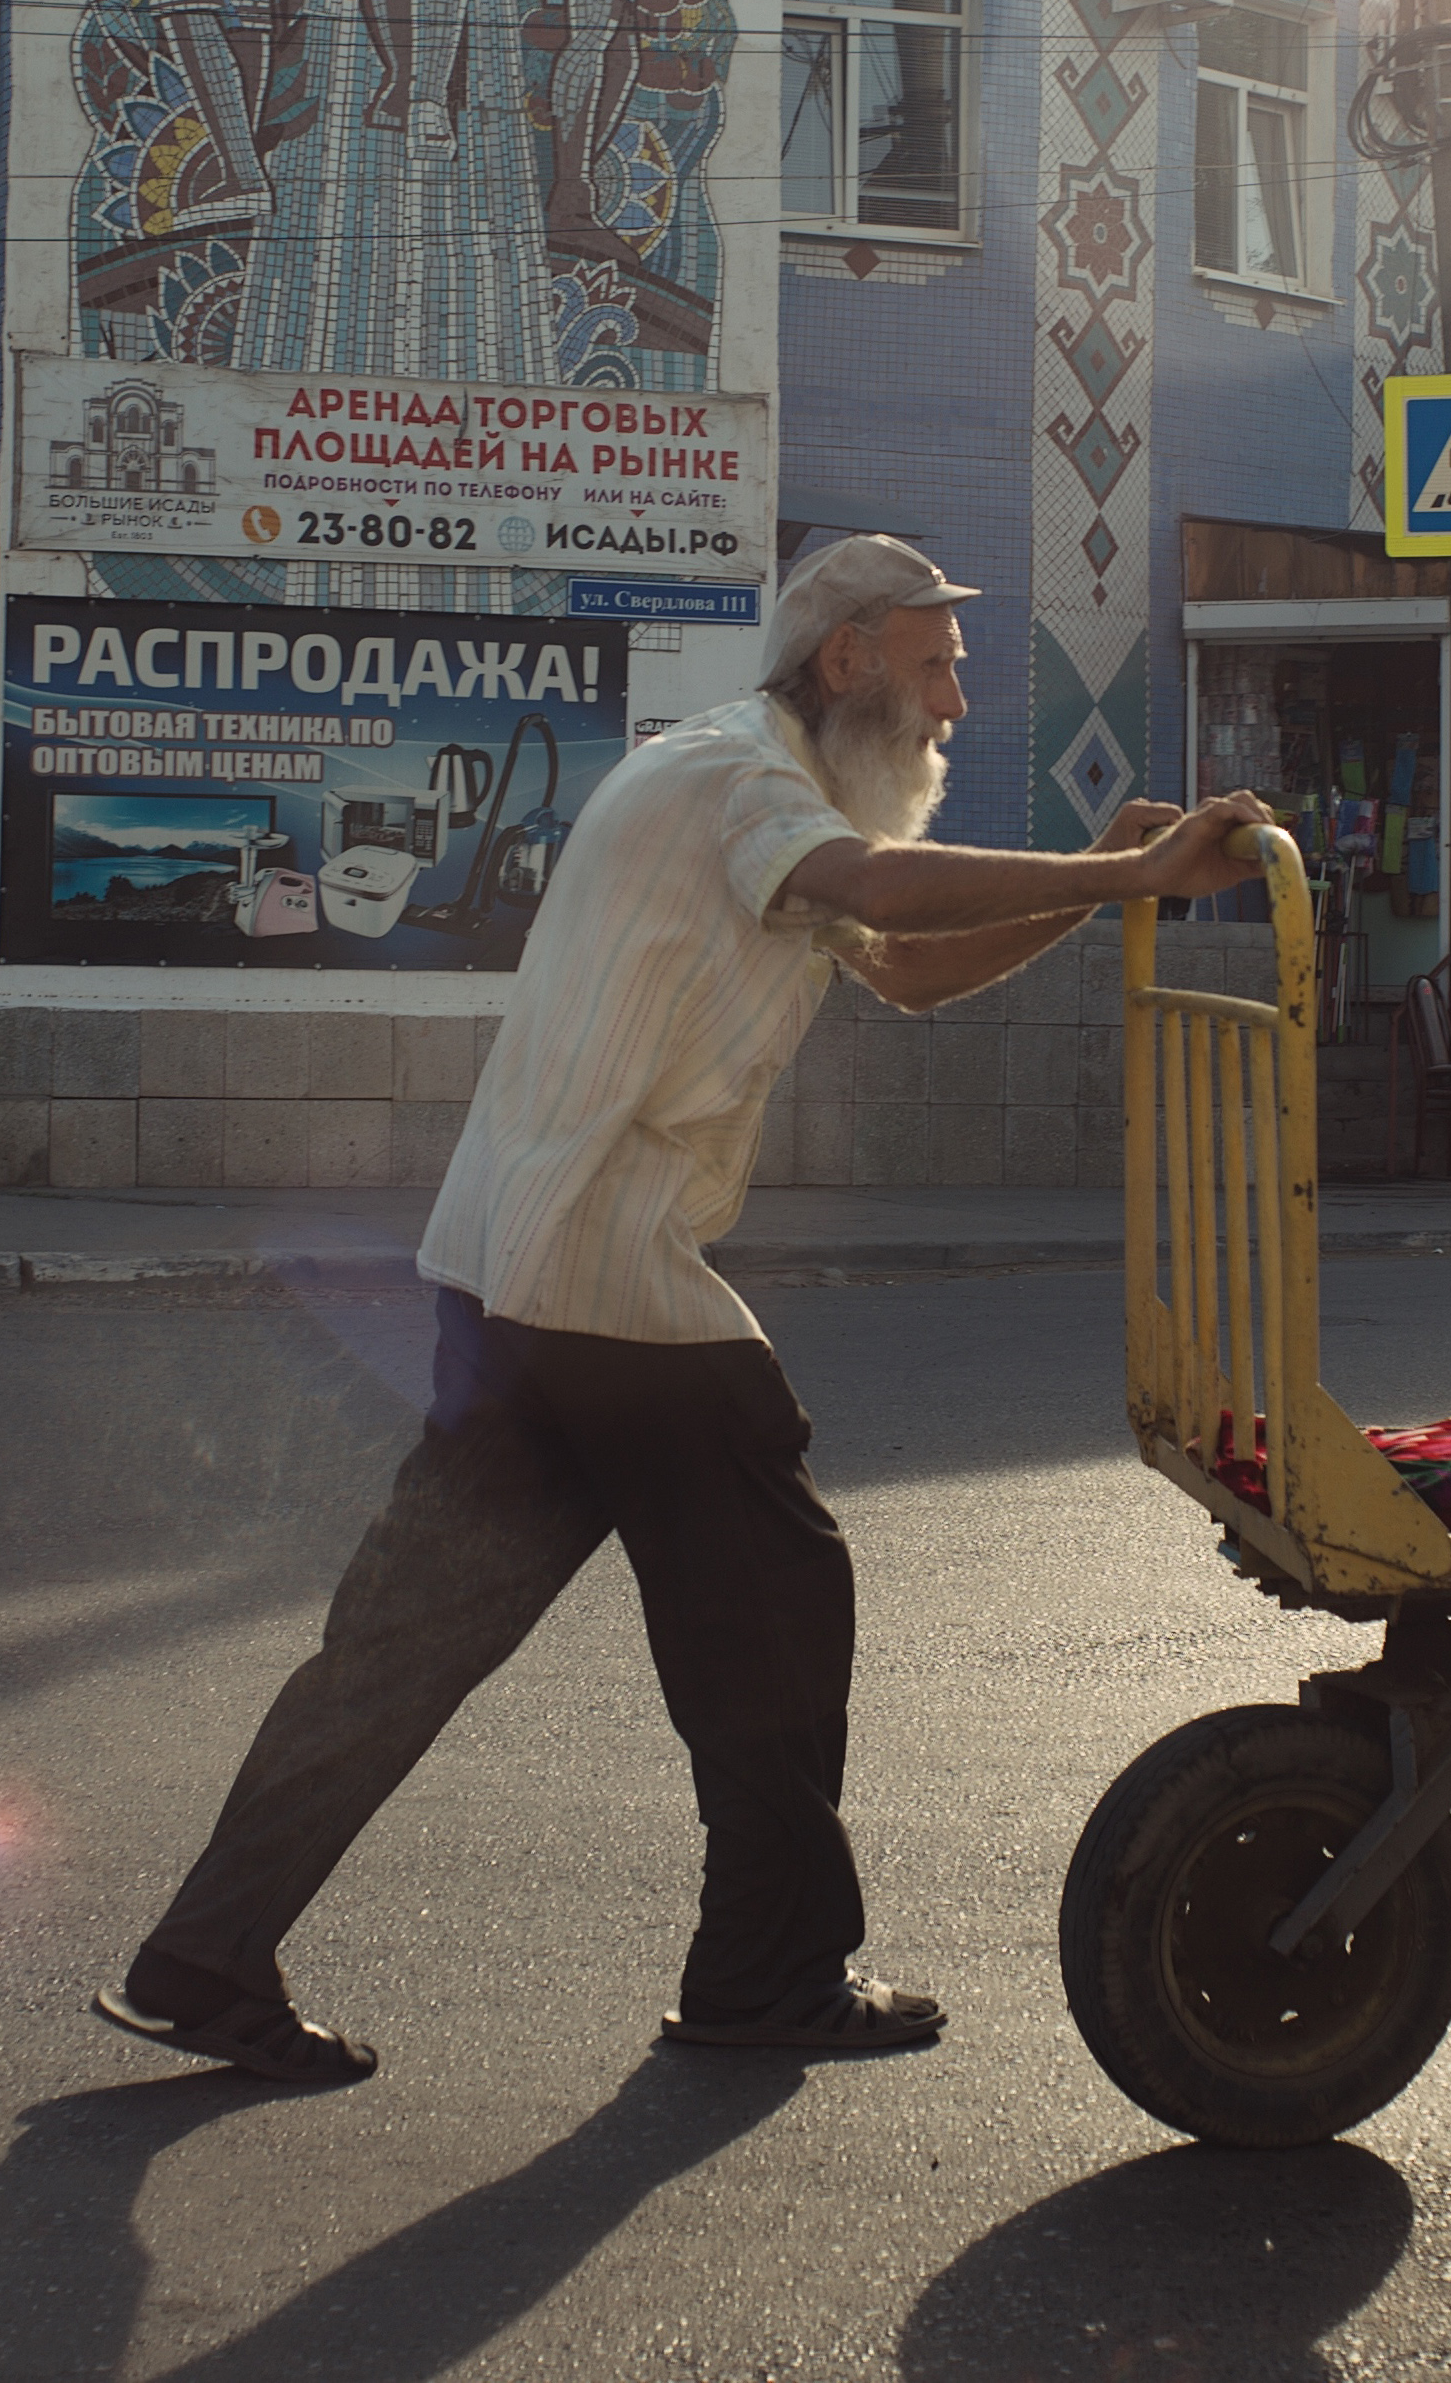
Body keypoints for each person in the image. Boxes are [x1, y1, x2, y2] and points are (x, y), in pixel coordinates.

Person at [91, 535, 1271, 2087]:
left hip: (512, 1270)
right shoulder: (740, 782)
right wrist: (1125, 875)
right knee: (775, 1617)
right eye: (935, 668)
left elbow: (906, 970)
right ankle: (763, 1975)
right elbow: (873, 887)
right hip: (609, 1274)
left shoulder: (754, 785)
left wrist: (1090, 886)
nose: (953, 708)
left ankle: (203, 1953)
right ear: (845, 660)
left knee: (401, 1643)